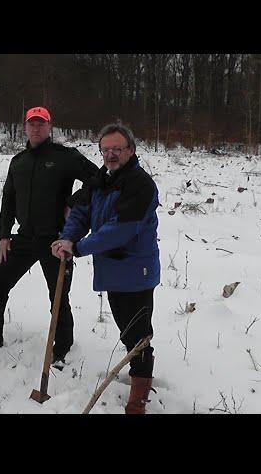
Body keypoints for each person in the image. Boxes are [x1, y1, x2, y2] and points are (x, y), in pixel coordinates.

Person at [51, 122, 160, 414]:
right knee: (128, 333)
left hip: (136, 273)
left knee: (138, 336)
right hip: (113, 271)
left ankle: (137, 402)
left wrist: (80, 247)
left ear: (131, 151)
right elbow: (80, 211)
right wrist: (67, 237)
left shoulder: (140, 184)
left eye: (117, 149)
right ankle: (140, 375)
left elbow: (121, 229)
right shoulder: (101, 179)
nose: (111, 155)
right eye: (106, 150)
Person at [0, 106, 99, 366]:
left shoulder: (65, 156)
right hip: (24, 238)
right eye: (32, 123)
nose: (36, 128)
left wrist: (74, 201)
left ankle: (62, 349)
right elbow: (9, 199)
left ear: (49, 127)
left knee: (57, 296)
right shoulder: (19, 161)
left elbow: (97, 178)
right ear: (25, 127)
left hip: (56, 239)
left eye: (41, 123)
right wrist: (3, 235)